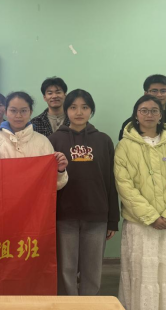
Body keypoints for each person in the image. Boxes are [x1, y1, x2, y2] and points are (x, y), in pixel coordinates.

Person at [118, 74, 166, 305]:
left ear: (161, 114)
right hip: (140, 222)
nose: (149, 115)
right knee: (143, 273)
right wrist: (151, 216)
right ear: (136, 114)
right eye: (144, 110)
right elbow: (124, 184)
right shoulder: (124, 146)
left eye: (154, 111)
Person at [48, 89, 120, 296]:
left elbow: (110, 181)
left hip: (96, 215)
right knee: (66, 269)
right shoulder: (54, 140)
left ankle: (90, 304)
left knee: (92, 270)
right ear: (66, 110)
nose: (79, 112)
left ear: (91, 110)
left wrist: (112, 220)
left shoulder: (104, 141)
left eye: (84, 107)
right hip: (64, 215)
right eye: (73, 107)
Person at [0, 92, 69, 190]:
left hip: (34, 199)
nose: (18, 115)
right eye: (13, 110)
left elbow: (53, 185)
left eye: (23, 110)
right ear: (6, 112)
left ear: (30, 112)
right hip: (2, 198)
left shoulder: (43, 142)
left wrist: (60, 171)